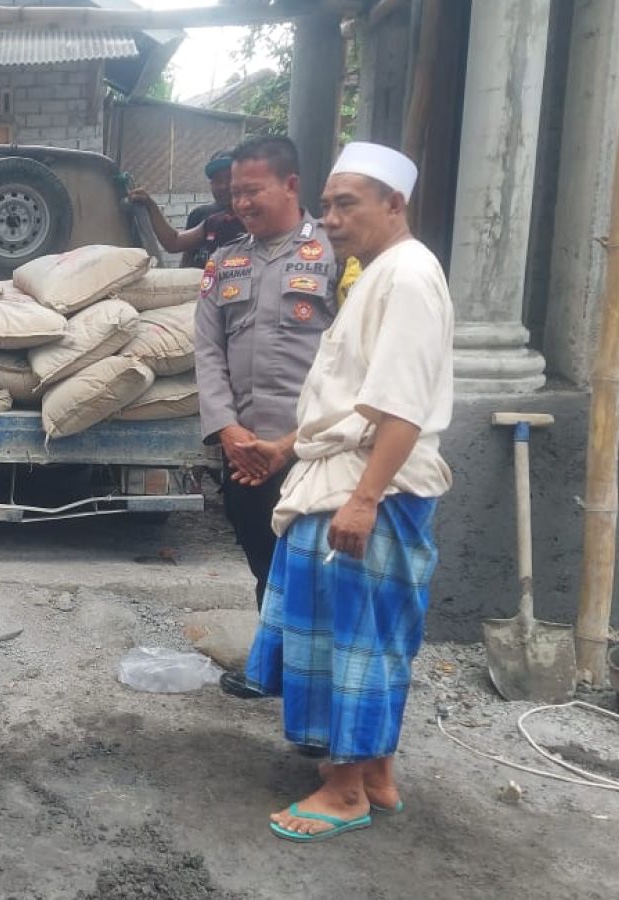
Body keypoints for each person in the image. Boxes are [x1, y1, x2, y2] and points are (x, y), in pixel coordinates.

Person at [234, 142, 454, 842]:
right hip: (347, 473)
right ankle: (378, 776)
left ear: (396, 204)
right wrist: (286, 448)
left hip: (369, 491)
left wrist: (363, 498)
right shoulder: (382, 273)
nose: (329, 217)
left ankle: (343, 790)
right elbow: (353, 399)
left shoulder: (409, 277)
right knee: (375, 639)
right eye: (326, 204)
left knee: (345, 644)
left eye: (346, 202)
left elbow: (401, 409)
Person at [192, 135, 340, 700]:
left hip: (314, 446)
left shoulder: (333, 255)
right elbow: (207, 351)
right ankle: (273, 666)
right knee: (263, 558)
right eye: (235, 193)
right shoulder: (224, 260)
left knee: (317, 565)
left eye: (252, 190)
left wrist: (290, 443)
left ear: (290, 185)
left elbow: (350, 359)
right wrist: (228, 430)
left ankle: (316, 682)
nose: (241, 203)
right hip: (244, 446)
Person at [128, 149, 245, 268]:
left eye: (230, 179)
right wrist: (150, 205)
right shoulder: (212, 221)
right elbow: (174, 243)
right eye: (217, 180)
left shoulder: (254, 222)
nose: (224, 186)